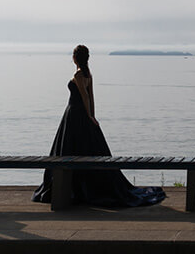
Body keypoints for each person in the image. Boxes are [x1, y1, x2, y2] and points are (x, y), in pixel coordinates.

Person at [32, 45, 166, 207]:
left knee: (70, 148)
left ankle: (70, 188)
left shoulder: (79, 74)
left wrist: (89, 116)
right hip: (80, 114)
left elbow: (86, 97)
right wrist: (92, 116)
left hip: (75, 114)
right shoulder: (88, 74)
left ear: (75, 58)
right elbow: (92, 97)